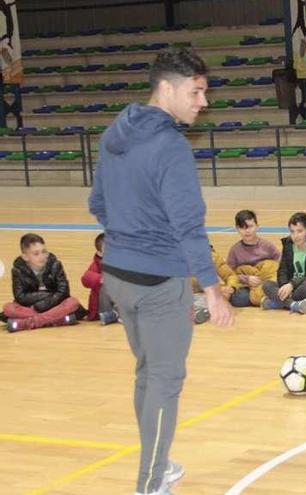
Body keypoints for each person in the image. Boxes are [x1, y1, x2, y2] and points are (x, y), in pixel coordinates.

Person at [88, 47, 233, 495]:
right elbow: (189, 227)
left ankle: (160, 462)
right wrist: (211, 289)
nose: (202, 102)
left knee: (148, 373)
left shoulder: (117, 130)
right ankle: (151, 484)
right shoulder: (170, 146)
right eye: (196, 92)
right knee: (165, 382)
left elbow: (97, 204)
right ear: (167, 88)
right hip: (156, 285)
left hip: (116, 275)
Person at [4, 233, 86, 332]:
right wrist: (46, 297)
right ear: (25, 257)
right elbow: (20, 296)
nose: (42, 256)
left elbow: (64, 292)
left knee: (72, 303)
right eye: (36, 253)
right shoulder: (17, 269)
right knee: (8, 309)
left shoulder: (55, 264)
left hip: (54, 304)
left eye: (44, 252)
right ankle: (59, 320)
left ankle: (27, 323)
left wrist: (43, 305)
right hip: (34, 306)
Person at [261, 212, 306, 314]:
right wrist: (284, 286)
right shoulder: (288, 245)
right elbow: (282, 270)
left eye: (299, 231)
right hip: (290, 286)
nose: (295, 236)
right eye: (292, 231)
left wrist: (291, 285)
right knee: (267, 285)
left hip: (303, 286)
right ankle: (293, 305)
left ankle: (277, 303)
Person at [226, 210, 281, 307]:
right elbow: (230, 274)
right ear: (237, 229)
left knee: (275, 284)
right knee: (238, 298)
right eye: (242, 228)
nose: (247, 231)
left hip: (267, 281)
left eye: (250, 226)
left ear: (257, 226)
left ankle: (267, 298)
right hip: (248, 285)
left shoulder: (267, 245)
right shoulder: (234, 250)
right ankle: (268, 300)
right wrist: (247, 279)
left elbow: (280, 262)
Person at [81, 232, 118, 323]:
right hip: (103, 306)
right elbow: (85, 279)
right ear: (100, 253)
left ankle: (116, 314)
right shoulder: (96, 265)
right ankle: (111, 314)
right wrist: (101, 279)